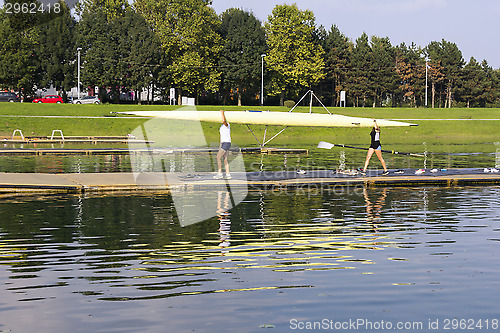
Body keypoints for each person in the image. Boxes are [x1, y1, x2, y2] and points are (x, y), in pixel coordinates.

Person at [214, 110, 232, 179]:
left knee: (218, 157)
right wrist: (220, 145)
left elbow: (224, 121)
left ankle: (219, 173)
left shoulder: (227, 124)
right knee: (225, 159)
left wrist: (222, 113)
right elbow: (222, 137)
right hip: (223, 143)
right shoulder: (222, 126)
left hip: (227, 143)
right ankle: (228, 174)